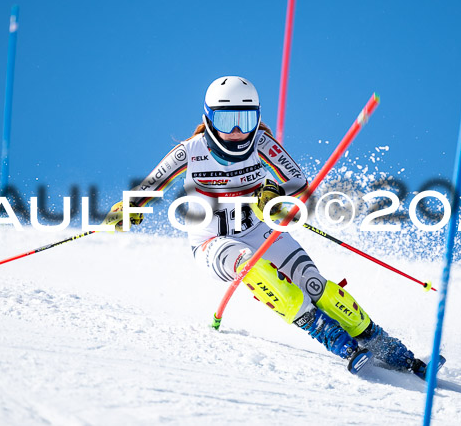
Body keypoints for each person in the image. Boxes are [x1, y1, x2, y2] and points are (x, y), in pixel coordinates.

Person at [103, 76, 430, 377]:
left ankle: (384, 345)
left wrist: (272, 191)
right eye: (225, 120)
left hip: (258, 230)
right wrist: (128, 208)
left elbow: (299, 182)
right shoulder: (190, 151)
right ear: (208, 119)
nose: (235, 132)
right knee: (251, 265)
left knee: (313, 284)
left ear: (256, 118)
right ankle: (328, 335)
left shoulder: (261, 143)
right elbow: (149, 186)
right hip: (211, 241)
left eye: (244, 120)